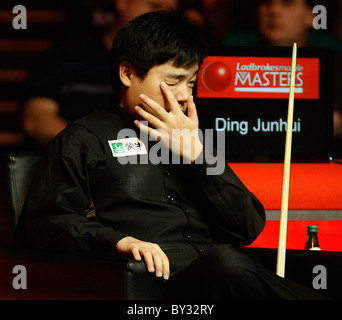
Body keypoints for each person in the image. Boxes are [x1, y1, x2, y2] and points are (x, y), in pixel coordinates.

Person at [23, 10, 328, 299]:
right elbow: (47, 222)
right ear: (127, 73)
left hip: (218, 282)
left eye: (192, 82)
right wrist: (120, 241)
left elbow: (246, 228)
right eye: (172, 81)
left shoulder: (194, 139)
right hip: (153, 290)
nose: (184, 95)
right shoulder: (84, 139)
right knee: (224, 263)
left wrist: (199, 156)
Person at [20, 0, 178, 147]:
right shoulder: (65, 57)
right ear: (122, 3)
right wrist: (91, 151)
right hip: (80, 166)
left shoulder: (177, 69)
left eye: (171, 11)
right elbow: (36, 120)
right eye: (154, 6)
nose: (162, 18)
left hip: (146, 166)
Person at [222, 0, 342, 158]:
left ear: (311, 16)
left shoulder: (334, 65)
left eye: (287, 3)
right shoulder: (231, 59)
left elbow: (334, 123)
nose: (274, 10)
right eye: (266, 2)